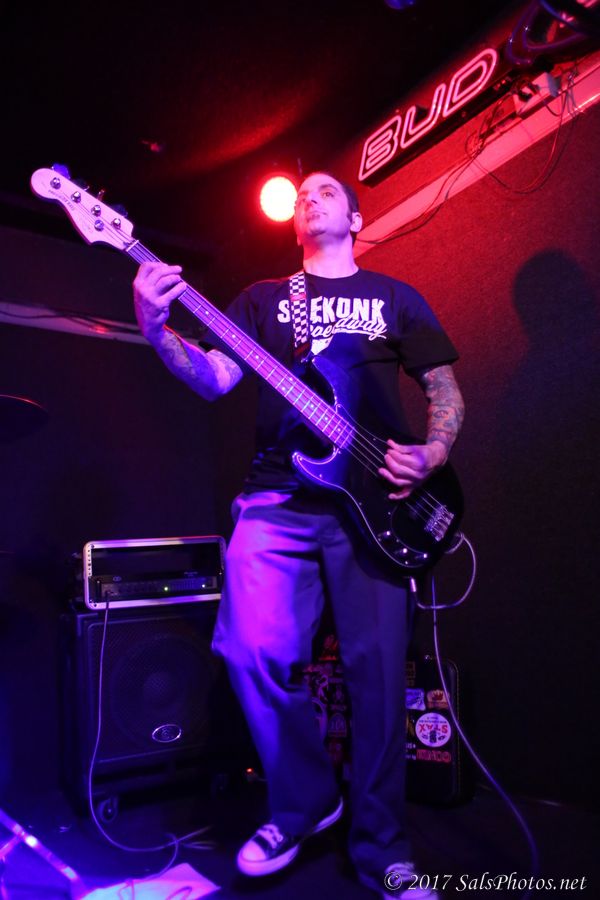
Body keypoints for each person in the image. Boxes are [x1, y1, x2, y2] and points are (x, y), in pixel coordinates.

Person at [133, 171, 464, 899]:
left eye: (326, 191)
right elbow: (216, 378)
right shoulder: (261, 299)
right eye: (303, 195)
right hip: (276, 495)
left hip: (376, 503)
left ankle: (383, 848)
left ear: (356, 217)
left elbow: (443, 389)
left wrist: (434, 452)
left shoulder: (395, 297)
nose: (311, 197)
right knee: (249, 649)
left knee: (379, 677)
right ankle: (305, 801)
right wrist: (157, 329)